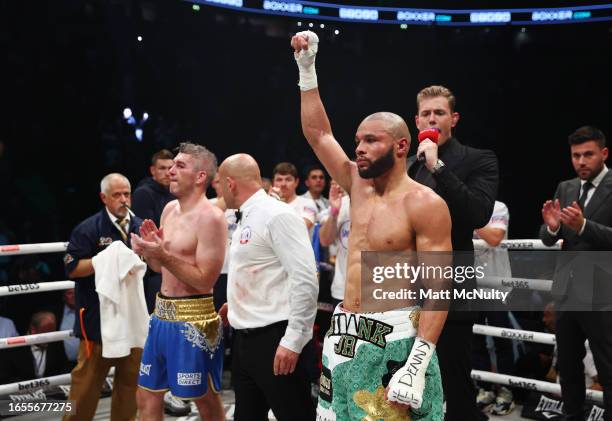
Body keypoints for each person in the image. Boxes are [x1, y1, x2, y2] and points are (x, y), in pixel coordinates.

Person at [291, 31, 453, 419]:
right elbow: (319, 134)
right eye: (358, 140)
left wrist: (415, 366)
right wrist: (307, 71)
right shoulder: (355, 184)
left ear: (400, 146)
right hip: (345, 330)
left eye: (371, 141)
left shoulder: (425, 204)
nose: (359, 148)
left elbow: (439, 290)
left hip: (396, 336)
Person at [409, 85, 498, 421]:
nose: (433, 118)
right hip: (404, 286)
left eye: (440, 112)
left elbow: (478, 214)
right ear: (417, 121)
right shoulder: (405, 166)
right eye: (427, 114)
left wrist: (438, 168)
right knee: (403, 379)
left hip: (451, 287)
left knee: (453, 381)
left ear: (454, 119)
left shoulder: (479, 159)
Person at [217, 153, 318, 421]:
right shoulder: (246, 218)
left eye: (219, 183)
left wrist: (294, 340)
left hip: (277, 340)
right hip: (245, 340)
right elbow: (260, 271)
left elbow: (305, 278)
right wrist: (236, 305)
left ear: (230, 183)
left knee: (296, 415)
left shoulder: (277, 215)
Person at [132, 142, 227, 421]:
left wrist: (163, 254)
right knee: (147, 395)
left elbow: (205, 279)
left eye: (180, 166)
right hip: (161, 316)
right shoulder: (169, 209)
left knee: (205, 400)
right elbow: (160, 268)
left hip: (194, 321)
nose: (171, 171)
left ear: (200, 177)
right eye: (172, 165)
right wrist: (149, 252)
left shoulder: (212, 218)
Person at [539, 125, 612, 419]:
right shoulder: (565, 187)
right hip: (568, 292)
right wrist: (553, 227)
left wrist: (583, 226)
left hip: (603, 293)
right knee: (568, 367)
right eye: (576, 155)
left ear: (603, 154)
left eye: (588, 155)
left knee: (608, 367)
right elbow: (546, 236)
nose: (581, 161)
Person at [62, 172, 143, 421]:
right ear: (103, 197)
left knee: (130, 386)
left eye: (127, 194)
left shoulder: (141, 226)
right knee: (85, 387)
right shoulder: (88, 229)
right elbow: (73, 268)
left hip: (133, 320)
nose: (123, 200)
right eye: (117, 195)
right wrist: (106, 260)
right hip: (96, 320)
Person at [472, 200, 516, 415]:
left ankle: (506, 390)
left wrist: (466, 215)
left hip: (497, 284)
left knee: (501, 337)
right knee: (475, 338)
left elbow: (494, 237)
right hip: (470, 283)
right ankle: (485, 388)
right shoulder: (458, 206)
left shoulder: (498, 207)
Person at [131, 149, 175, 314]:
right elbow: (146, 232)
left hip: (171, 261)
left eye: (170, 168)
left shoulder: (174, 192)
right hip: (152, 267)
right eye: (162, 168)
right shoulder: (144, 193)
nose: (167, 172)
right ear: (153, 170)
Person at [0, 312, 69, 384]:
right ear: (33, 330)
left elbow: (64, 368)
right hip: (22, 393)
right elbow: (6, 378)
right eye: (47, 332)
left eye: (53, 331)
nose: (52, 337)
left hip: (52, 391)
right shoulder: (13, 349)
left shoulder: (56, 342)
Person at [319, 180, 350, 308]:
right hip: (341, 289)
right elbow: (325, 240)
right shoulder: (341, 204)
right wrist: (334, 213)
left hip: (375, 290)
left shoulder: (381, 202)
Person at [271, 162, 317, 229]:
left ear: (296, 182)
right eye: (279, 180)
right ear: (273, 183)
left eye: (288, 179)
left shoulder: (308, 203)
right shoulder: (268, 206)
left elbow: (302, 227)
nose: (283, 184)